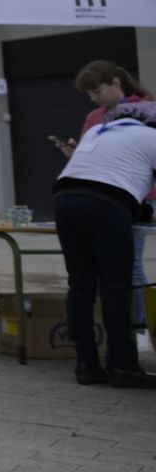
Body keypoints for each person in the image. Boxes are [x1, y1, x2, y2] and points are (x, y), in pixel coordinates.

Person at [53, 101, 156, 387]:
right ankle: (123, 367)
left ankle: (86, 365)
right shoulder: (151, 137)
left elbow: (107, 174)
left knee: (81, 284)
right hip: (108, 206)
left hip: (65, 200)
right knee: (115, 286)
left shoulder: (98, 130)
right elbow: (116, 185)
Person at [70, 61, 153, 346]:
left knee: (128, 266)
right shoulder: (95, 118)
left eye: (97, 91)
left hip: (135, 198)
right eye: (89, 95)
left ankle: (139, 327)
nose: (94, 99)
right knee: (91, 275)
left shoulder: (147, 111)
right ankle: (105, 348)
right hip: (98, 195)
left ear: (116, 82)